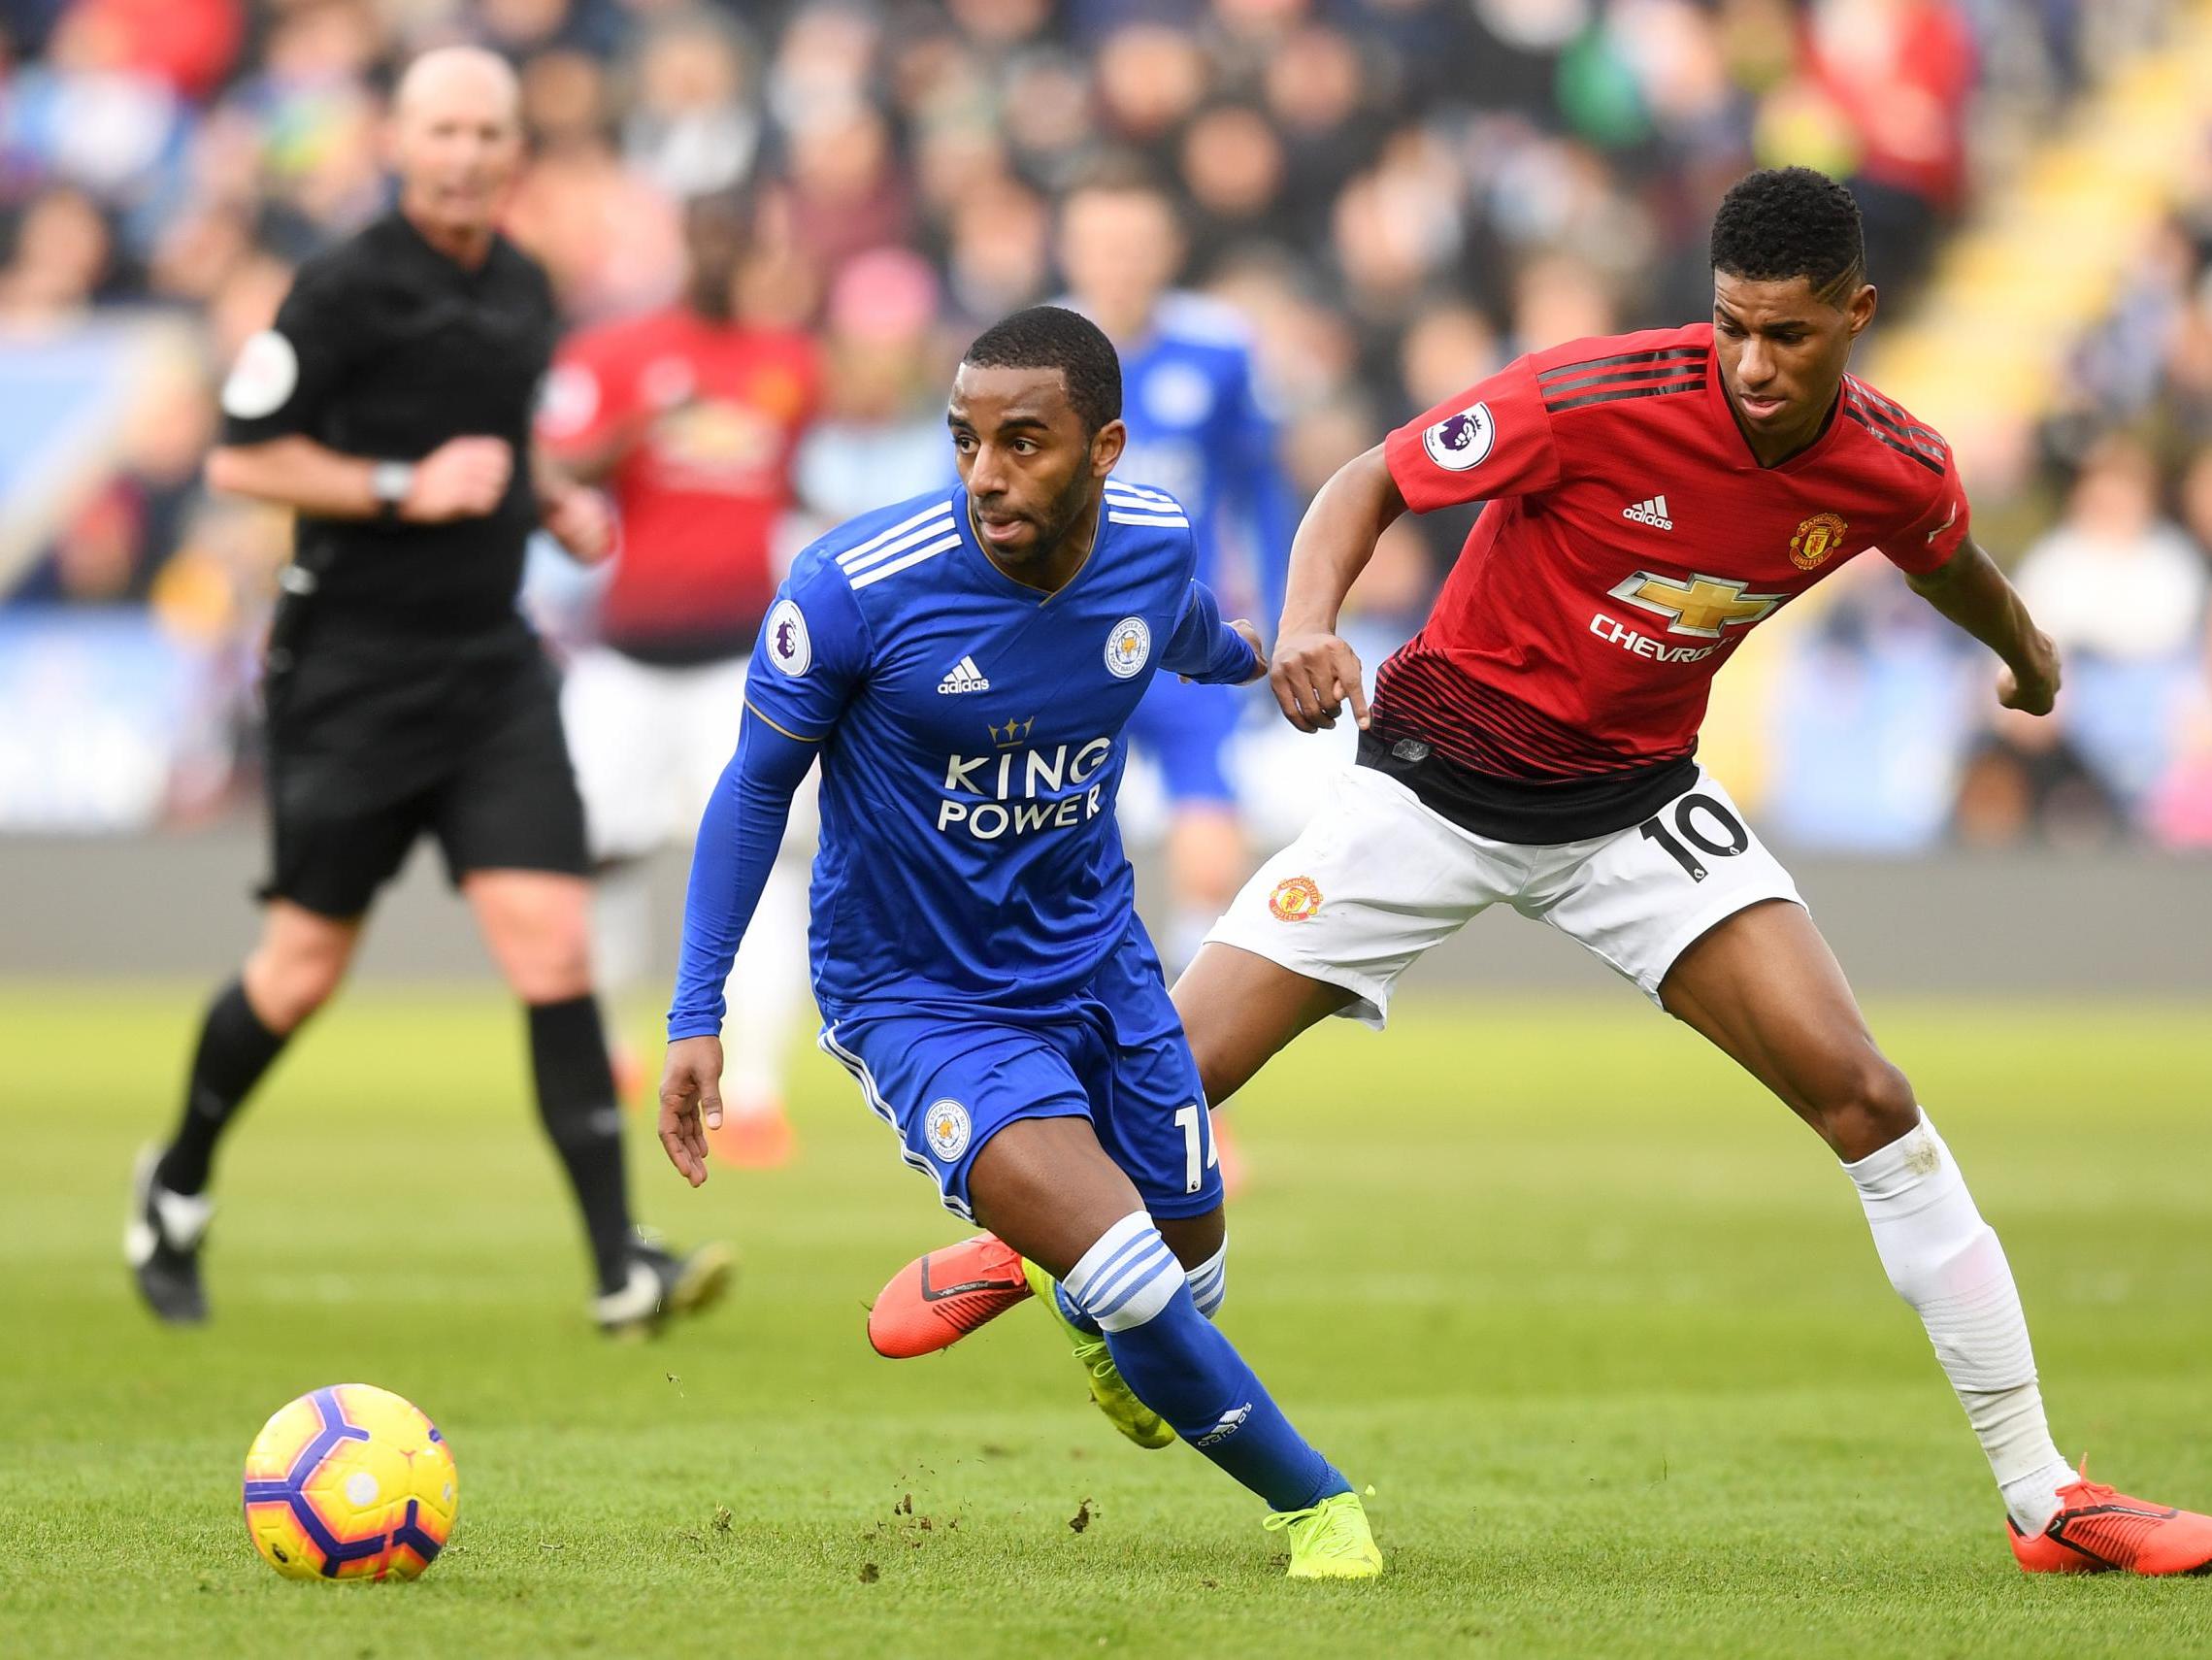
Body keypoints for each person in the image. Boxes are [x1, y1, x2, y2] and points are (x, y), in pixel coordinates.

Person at [868, 168, 2212, 1576]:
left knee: (1867, 1096)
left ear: (1856, 316)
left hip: (1634, 815)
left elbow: (1938, 553)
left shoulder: (1889, 459)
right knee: (1163, 1079)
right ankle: (1026, 1248)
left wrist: (2023, 648)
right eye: (1730, 327)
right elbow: (1369, 477)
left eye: (1788, 336)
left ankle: (2040, 1494)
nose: (1750, 364)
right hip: (1425, 795)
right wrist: (1310, 624)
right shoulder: (1592, 393)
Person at [655, 306, 1380, 1577]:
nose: (985, 472)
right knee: (1135, 1279)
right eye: (965, 439)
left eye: (1023, 442)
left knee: (1188, 1269)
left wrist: (1262, 662)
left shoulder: (1150, 539)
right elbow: (751, 789)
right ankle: (1315, 1503)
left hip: (1094, 960)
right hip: (919, 993)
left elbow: (1190, 630)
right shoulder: (851, 591)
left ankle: (1037, 1258)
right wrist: (693, 1014)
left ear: (1102, 447)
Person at [125, 48, 731, 1339]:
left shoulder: (520, 283)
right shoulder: (341, 287)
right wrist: (400, 486)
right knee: (299, 970)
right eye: (442, 128)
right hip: (349, 671)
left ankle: (619, 1262)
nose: (464, 152)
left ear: (518, 150)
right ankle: (173, 1184)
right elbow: (243, 461)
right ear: (398, 140)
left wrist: (550, 495)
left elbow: (500, 441)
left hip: (489, 667)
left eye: (487, 131)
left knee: (553, 943)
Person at [536, 186, 821, 1168]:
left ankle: (758, 1096)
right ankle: (611, 1048)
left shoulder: (788, 363)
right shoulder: (616, 354)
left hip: (740, 663)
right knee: (580, 852)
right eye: (709, 233)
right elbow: (559, 470)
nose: (723, 253)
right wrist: (644, 424)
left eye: (739, 235)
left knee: (769, 870)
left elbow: (789, 489)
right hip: (624, 653)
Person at [1057, 162, 1297, 1183]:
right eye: (1100, 247)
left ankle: (1189, 1096)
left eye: (1134, 246)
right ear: (1072, 253)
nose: (1117, 266)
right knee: (1069, 886)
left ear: (1167, 252)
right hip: (1068, 661)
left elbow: (1262, 487)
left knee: (1207, 872)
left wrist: (1292, 610)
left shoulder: (1218, 347)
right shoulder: (1035, 351)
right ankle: (1072, 1104)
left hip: (1186, 653)